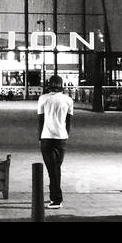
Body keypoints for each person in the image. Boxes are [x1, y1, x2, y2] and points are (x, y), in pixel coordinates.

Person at [37, 74, 74, 209]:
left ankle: (56, 199)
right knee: (56, 168)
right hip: (61, 138)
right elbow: (68, 121)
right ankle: (55, 196)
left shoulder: (43, 99)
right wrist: (66, 135)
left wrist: (39, 138)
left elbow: (40, 120)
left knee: (52, 169)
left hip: (47, 137)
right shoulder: (68, 100)